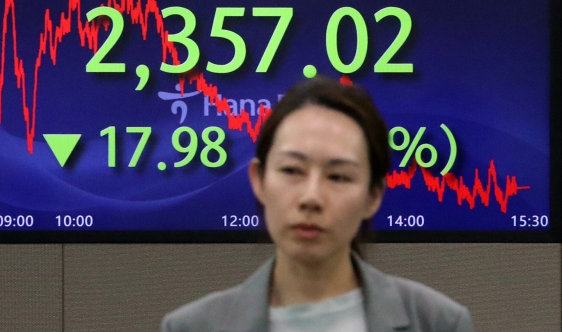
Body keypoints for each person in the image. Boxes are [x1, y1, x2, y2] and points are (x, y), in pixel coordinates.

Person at [161, 76, 475, 332]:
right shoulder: (191, 327)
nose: (311, 197)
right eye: (292, 171)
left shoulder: (438, 322)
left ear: (373, 196)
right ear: (258, 180)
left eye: (338, 177)